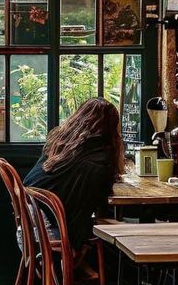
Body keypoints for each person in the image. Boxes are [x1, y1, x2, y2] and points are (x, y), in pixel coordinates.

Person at [23, 98, 124, 251]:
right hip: (54, 235)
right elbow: (102, 206)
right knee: (116, 228)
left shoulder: (60, 144)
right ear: (111, 129)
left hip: (28, 228)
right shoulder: (99, 161)